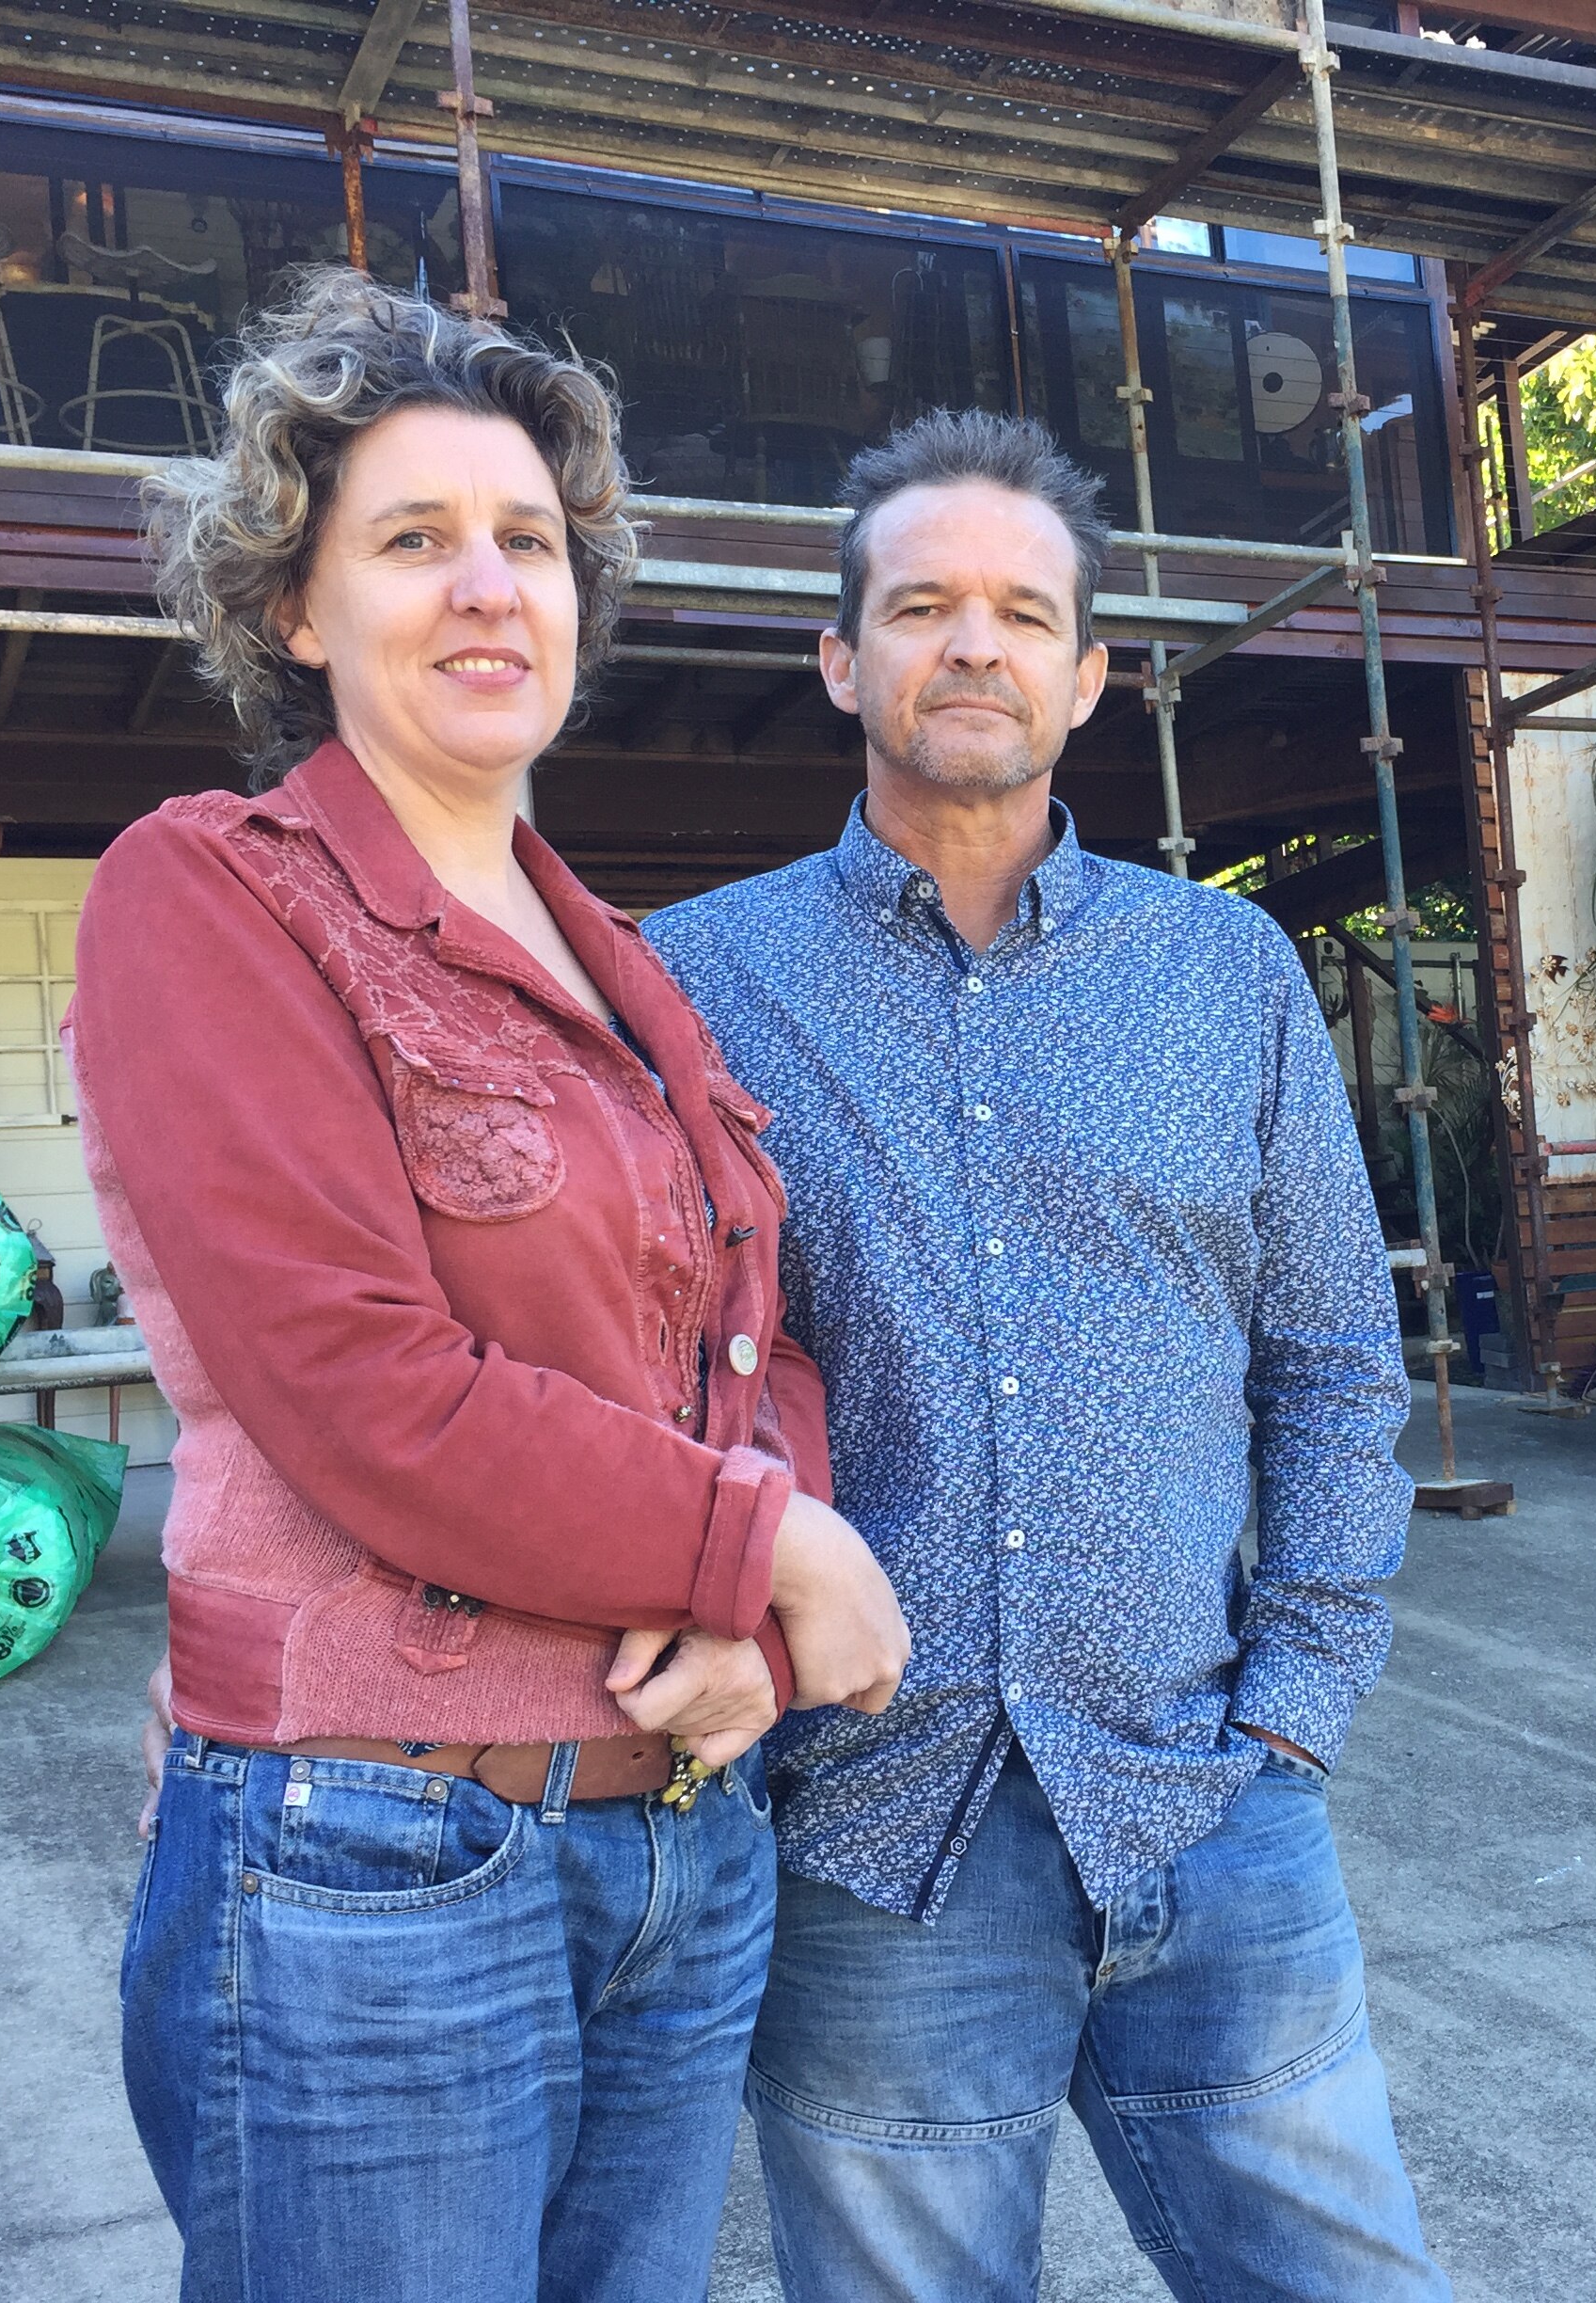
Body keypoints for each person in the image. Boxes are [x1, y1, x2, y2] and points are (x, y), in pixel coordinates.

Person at [70, 270, 908, 2303]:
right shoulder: (215, 891)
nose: (485, 587)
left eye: (527, 541)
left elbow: (755, 1333)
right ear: (297, 606)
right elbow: (360, 1388)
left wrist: (748, 1611)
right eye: (413, 540)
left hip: (677, 1841)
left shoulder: (619, 964)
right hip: (374, 1853)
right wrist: (773, 1551)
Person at [644, 409, 1446, 2301]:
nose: (973, 646)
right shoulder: (690, 985)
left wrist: (1295, 1708)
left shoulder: (1225, 976)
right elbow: (644, 1380)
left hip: (1210, 1798)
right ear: (841, 660)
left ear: (1087, 678)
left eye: (1024, 612)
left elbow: (1336, 1360)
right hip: (870, 1837)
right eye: (921, 605)